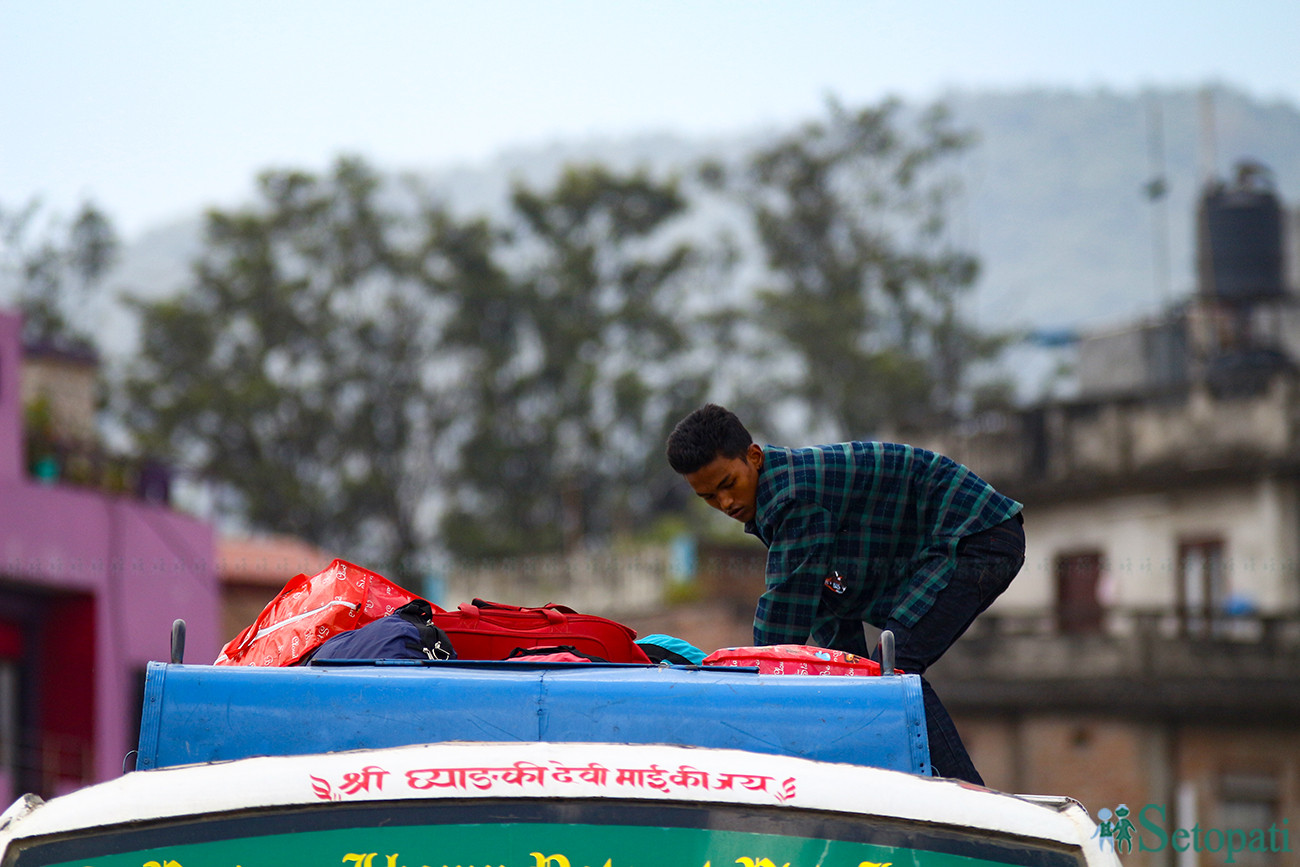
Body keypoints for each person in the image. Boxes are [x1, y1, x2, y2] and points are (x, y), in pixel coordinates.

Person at [665, 403, 1024, 785]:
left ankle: (965, 797)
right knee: (868, 683)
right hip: (952, 545)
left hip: (976, 536)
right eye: (708, 497)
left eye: (727, 485)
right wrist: (843, 684)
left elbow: (779, 624)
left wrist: (748, 697)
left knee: (894, 673)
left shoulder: (793, 497)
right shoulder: (780, 507)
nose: (725, 504)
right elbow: (827, 609)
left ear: (753, 457)